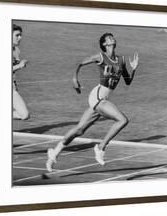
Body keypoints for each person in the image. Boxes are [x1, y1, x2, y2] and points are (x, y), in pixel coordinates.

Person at [46, 32, 139, 172]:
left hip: (104, 99)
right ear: (104, 44)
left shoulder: (121, 60)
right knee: (122, 120)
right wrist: (74, 79)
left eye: (112, 37)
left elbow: (127, 81)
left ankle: (55, 152)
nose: (112, 38)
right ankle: (101, 147)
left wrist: (134, 69)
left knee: (79, 130)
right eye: (108, 38)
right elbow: (80, 63)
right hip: (97, 96)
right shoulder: (100, 56)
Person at [12, 24, 30, 120]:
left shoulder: (17, 50)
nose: (20, 38)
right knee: (24, 115)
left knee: (25, 115)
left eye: (21, 35)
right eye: (17, 35)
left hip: (12, 86)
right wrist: (19, 65)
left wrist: (19, 65)